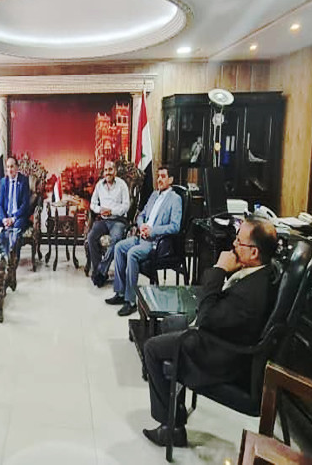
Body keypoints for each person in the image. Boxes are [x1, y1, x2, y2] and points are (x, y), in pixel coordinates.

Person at [141, 217, 280, 448]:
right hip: (222, 337)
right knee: (169, 324)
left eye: (239, 241)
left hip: (219, 356)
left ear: (254, 252)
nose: (233, 244)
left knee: (152, 349)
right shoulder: (260, 272)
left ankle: (170, 428)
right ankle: (175, 413)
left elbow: (206, 319)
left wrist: (219, 270)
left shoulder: (251, 295)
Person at [106, 166, 182, 317]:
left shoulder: (175, 199)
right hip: (142, 236)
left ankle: (131, 301)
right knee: (119, 247)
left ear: (171, 180)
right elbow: (141, 215)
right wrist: (142, 226)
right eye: (158, 176)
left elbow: (175, 226)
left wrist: (152, 231)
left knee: (132, 253)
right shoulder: (154, 195)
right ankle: (120, 293)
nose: (159, 179)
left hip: (156, 242)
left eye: (163, 176)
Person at [87, 160, 130, 287]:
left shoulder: (122, 185)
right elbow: (92, 204)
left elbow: (126, 205)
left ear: (115, 171)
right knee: (91, 237)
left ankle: (101, 272)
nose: (108, 173)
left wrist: (112, 211)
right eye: (106, 170)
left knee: (114, 240)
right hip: (103, 220)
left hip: (118, 220)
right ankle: (98, 270)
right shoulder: (99, 185)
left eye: (110, 170)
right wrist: (100, 210)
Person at [0, 156, 30, 279]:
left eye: (12, 166)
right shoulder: (3, 182)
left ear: (17, 168)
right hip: (5, 217)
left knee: (16, 230)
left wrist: (13, 219)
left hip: (18, 217)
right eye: (8, 167)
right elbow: (0, 204)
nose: (9, 170)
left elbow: (25, 205)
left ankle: (12, 265)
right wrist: (4, 219)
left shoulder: (24, 181)